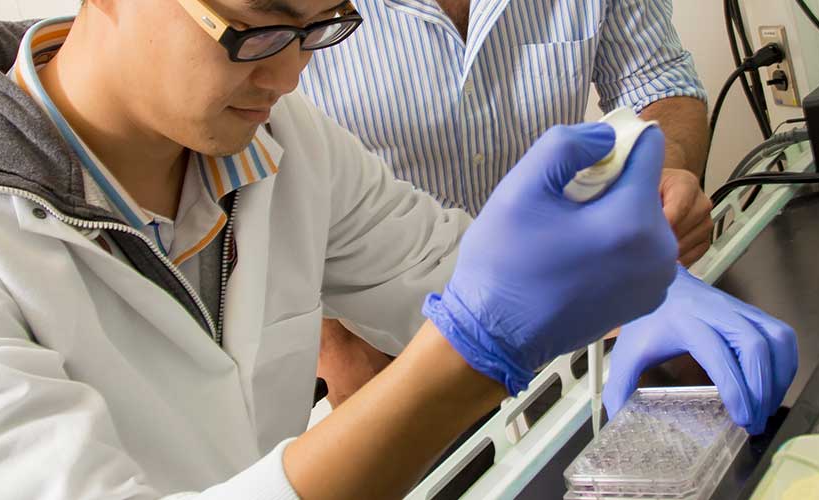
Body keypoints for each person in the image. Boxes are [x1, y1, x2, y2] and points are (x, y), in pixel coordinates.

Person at [0, 1, 797, 498]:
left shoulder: (280, 145)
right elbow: (475, 317)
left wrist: (631, 289)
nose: (285, 76)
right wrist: (471, 357)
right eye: (254, 28)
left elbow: (444, 268)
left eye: (320, 23)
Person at [298, 0, 716, 405]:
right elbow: (282, 165)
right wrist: (334, 345)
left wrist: (655, 175)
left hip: (570, 299)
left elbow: (657, 80)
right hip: (387, 344)